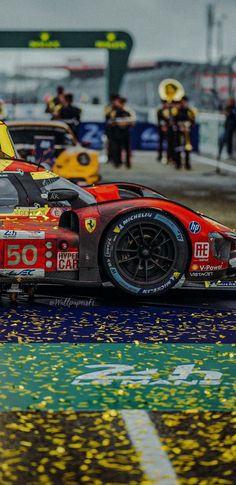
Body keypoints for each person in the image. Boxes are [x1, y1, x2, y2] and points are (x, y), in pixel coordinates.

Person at [108, 96, 135, 168]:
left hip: (126, 133)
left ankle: (128, 163)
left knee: (127, 148)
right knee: (117, 148)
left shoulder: (128, 111)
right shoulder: (114, 111)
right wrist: (117, 123)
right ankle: (117, 162)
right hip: (117, 133)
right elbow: (110, 122)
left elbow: (133, 122)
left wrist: (125, 123)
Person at [177, 96, 196, 170]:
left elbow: (193, 121)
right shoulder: (178, 110)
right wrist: (180, 126)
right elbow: (175, 120)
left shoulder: (190, 111)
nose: (183, 103)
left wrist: (189, 125)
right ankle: (178, 163)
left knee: (187, 148)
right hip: (179, 131)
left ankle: (187, 163)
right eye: (182, 102)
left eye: (185, 102)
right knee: (178, 147)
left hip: (187, 131)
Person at [104, 94, 120, 163]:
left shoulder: (119, 107)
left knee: (117, 144)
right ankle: (109, 157)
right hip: (110, 128)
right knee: (110, 143)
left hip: (117, 129)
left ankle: (116, 158)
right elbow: (106, 115)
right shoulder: (108, 107)